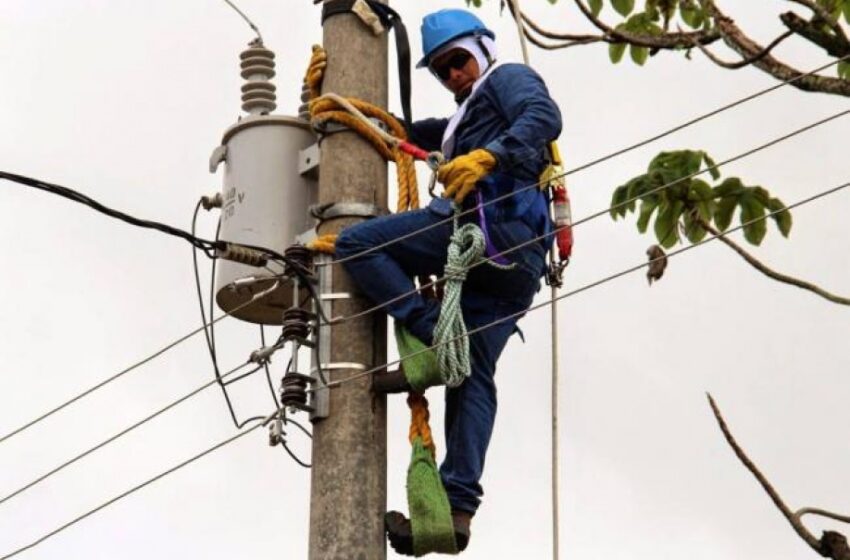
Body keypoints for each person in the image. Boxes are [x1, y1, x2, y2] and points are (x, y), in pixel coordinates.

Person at [334, 8, 562, 555]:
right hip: (518, 265)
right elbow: (410, 134)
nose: (453, 75)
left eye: (458, 61)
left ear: (482, 50)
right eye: (441, 70)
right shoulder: (464, 121)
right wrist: (339, 106)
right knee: (472, 377)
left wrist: (490, 157)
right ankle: (455, 513)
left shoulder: (506, 80)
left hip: (485, 229)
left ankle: (434, 332)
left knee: (358, 245)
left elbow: (543, 114)